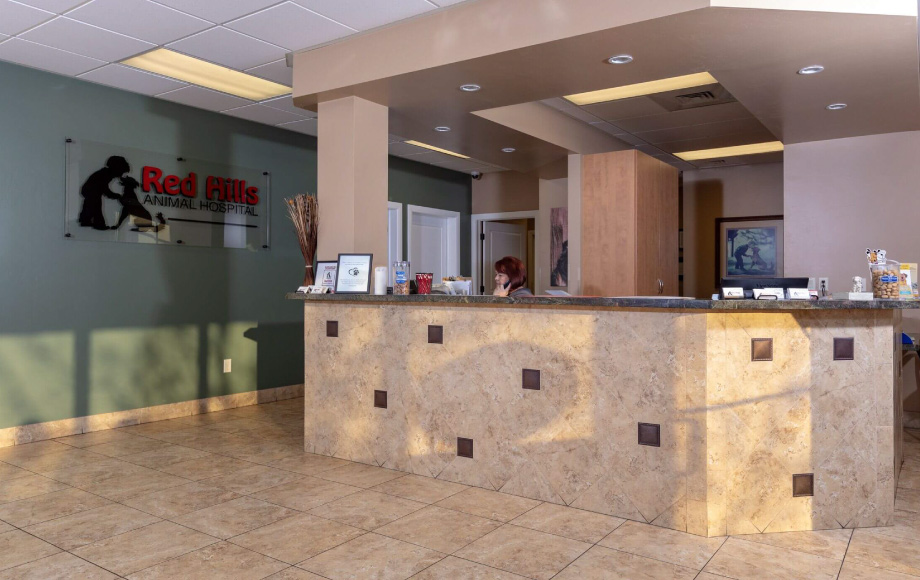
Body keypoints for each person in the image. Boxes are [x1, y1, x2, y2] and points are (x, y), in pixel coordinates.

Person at [79, 156, 129, 230]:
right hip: (91, 191)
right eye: (121, 172)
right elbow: (104, 188)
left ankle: (85, 220)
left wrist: (113, 195)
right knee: (96, 206)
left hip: (89, 190)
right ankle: (99, 224)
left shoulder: (105, 173)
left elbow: (104, 188)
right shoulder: (105, 175)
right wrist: (114, 195)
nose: (121, 175)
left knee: (89, 205)